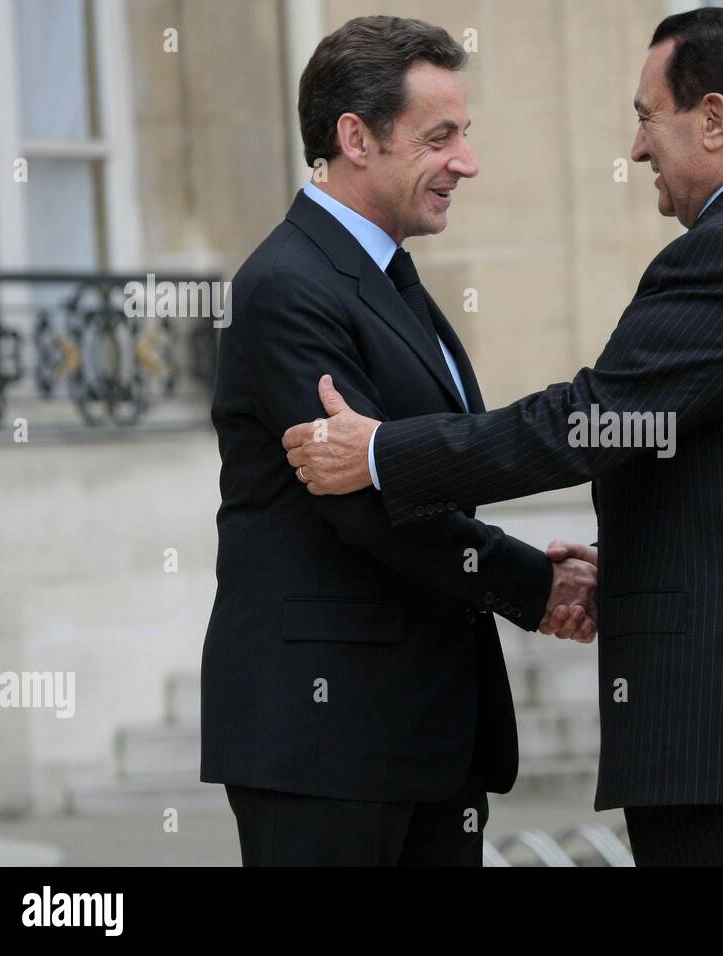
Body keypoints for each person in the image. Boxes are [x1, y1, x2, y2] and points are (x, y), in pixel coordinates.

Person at [284, 6, 723, 866]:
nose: (638, 148)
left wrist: (380, 453)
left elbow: (588, 421)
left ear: (714, 119)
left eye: (647, 118)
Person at [201, 15, 596, 867]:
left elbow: (418, 465)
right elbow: (366, 505)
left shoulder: (385, 273)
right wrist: (537, 581)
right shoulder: (286, 286)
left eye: (467, 134)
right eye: (440, 136)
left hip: (418, 738)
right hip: (328, 744)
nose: (467, 161)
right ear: (355, 137)